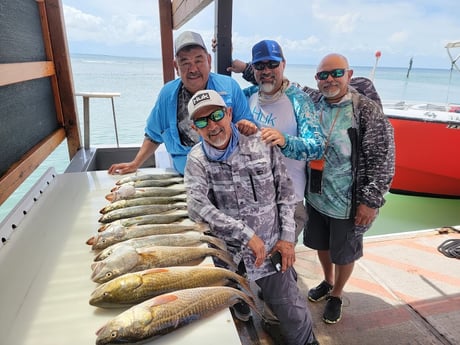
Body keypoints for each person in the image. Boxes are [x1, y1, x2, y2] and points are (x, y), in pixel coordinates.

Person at [184, 89, 319, 345]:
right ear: (195, 127)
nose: (212, 125)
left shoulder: (261, 142)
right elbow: (196, 206)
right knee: (221, 314)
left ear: (229, 113)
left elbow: (286, 193)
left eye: (216, 115)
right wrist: (244, 234)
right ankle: (241, 308)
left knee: (293, 312)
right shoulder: (197, 159)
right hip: (228, 254)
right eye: (202, 121)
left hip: (270, 249)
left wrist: (287, 238)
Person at [285, 53, 395, 324]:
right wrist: (243, 68)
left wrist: (370, 201)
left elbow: (384, 159)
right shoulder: (314, 101)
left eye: (336, 73)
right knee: (321, 244)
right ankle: (327, 280)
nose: (330, 79)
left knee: (344, 252)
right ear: (317, 79)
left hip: (349, 202)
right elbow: (282, 82)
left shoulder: (365, 110)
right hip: (317, 196)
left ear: (349, 73)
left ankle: (337, 293)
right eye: (323, 75)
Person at [108, 31, 257, 176]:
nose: (193, 69)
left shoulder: (229, 86)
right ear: (176, 67)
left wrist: (248, 126)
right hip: (184, 176)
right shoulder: (167, 94)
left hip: (226, 177)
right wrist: (135, 164)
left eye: (198, 60)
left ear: (209, 61)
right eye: (185, 63)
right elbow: (153, 135)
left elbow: (248, 127)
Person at [242, 39, 324, 242]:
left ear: (283, 64)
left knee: (281, 262)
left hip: (288, 200)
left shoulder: (298, 100)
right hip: (253, 198)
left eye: (272, 64)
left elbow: (318, 147)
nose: (266, 70)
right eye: (260, 65)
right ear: (253, 69)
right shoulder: (248, 96)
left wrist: (285, 141)